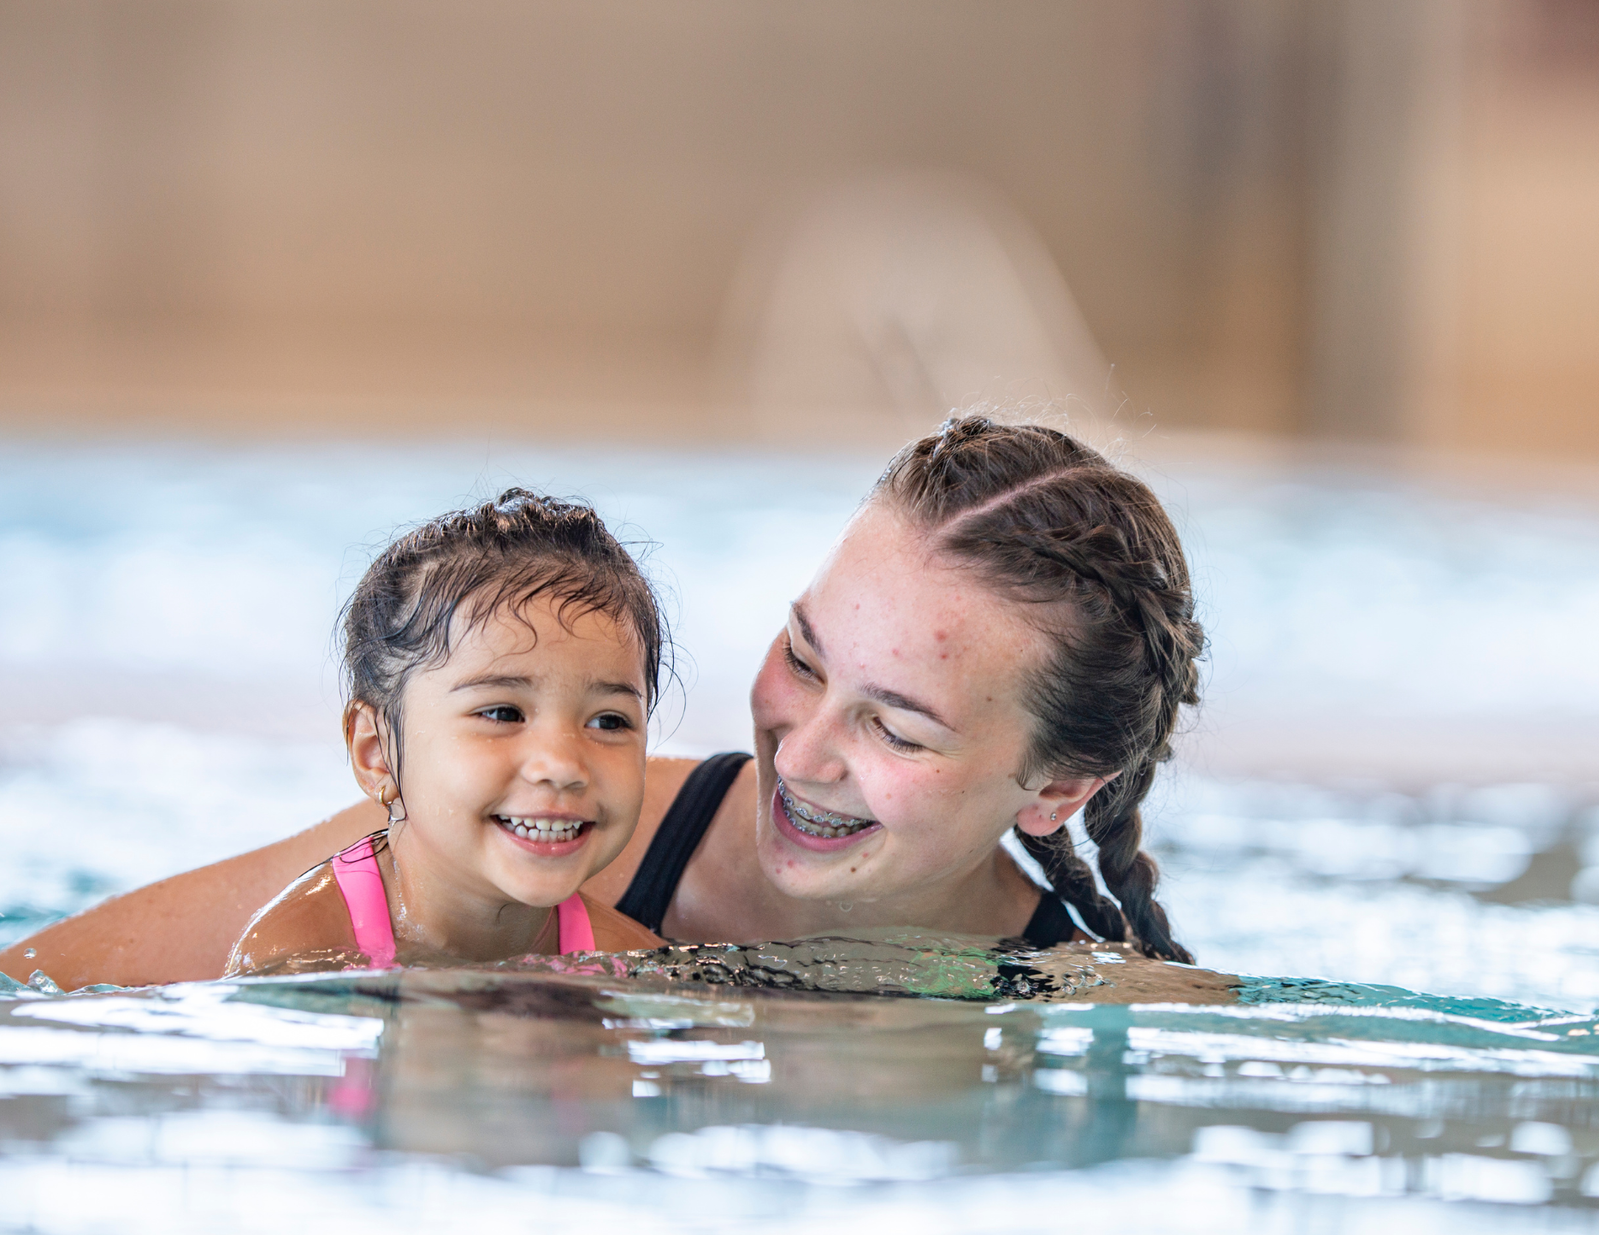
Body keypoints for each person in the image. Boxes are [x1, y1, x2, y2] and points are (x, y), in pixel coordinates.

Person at [2, 417, 1204, 987]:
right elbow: (43, 992)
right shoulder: (483, 851)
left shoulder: (1082, 1000)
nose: (804, 753)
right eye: (802, 653)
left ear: (1057, 787)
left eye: (896, 724)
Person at [227, 490, 665, 973]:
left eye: (608, 721)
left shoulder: (625, 963)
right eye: (502, 714)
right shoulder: (297, 953)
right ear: (377, 754)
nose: (562, 766)